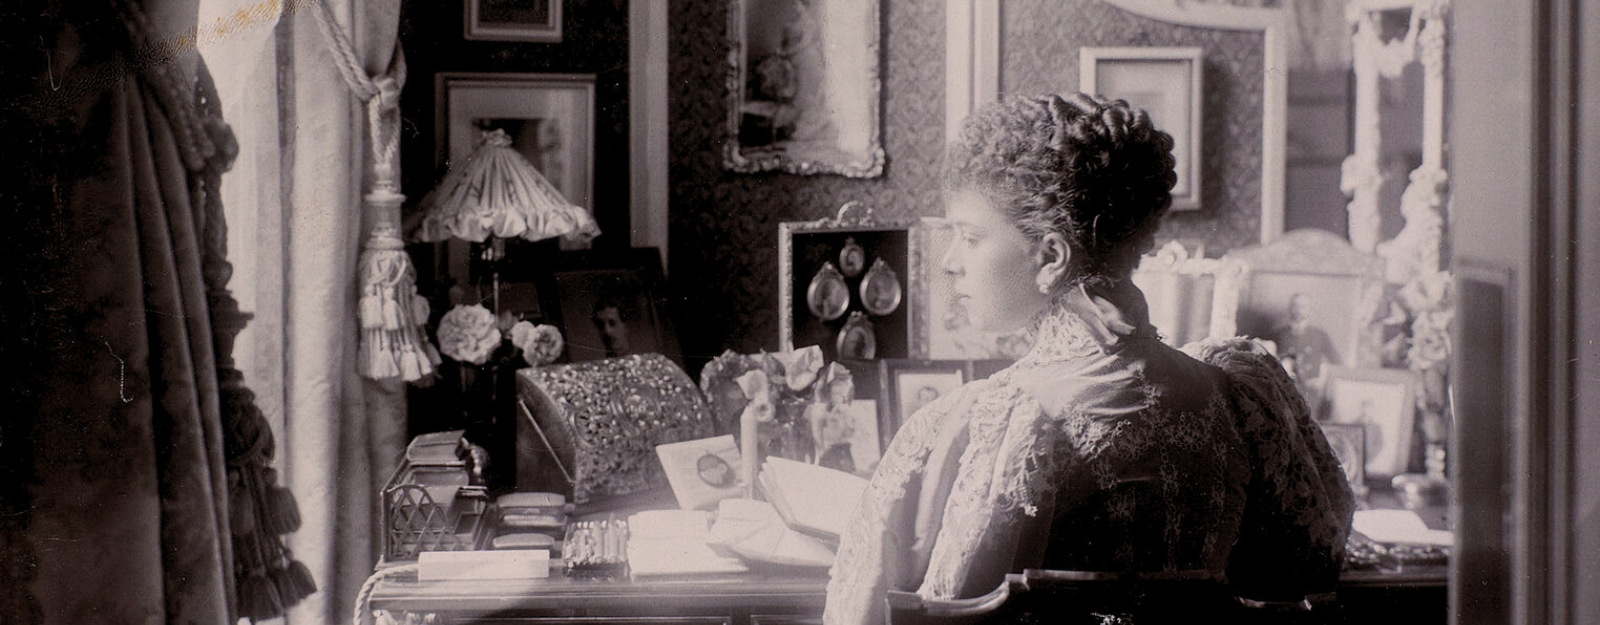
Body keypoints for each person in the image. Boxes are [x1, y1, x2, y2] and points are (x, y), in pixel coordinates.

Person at [823, 94, 1354, 625]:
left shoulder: (979, 424)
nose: (951, 264)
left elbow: (865, 613)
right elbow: (1306, 575)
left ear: (1051, 257)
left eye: (970, 237)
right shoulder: (1239, 394)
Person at [1269, 292, 1341, 380]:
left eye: (1303, 306)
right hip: (1285, 385)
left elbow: (1337, 362)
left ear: (1309, 309)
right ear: (1290, 308)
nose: (1299, 310)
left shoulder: (1320, 335)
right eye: (1295, 305)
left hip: (1312, 387)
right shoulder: (1278, 335)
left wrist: (1323, 377)